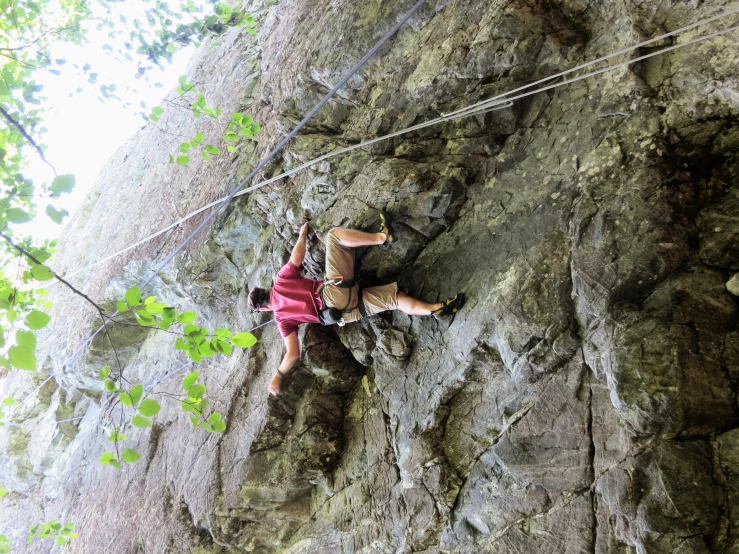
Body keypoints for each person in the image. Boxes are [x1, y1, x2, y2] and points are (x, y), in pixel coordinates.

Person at [248, 216, 465, 395]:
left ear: (265, 308)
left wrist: (277, 375)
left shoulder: (282, 321)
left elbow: (293, 354)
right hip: (335, 293)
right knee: (333, 236)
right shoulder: (281, 280)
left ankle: (435, 310)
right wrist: (303, 234)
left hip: (345, 314)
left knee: (395, 299)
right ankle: (381, 237)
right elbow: (297, 256)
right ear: (266, 290)